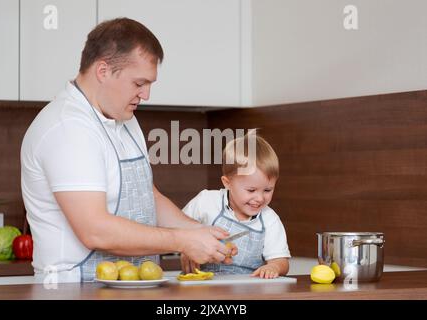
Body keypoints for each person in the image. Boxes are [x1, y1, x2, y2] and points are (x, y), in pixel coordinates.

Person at [20, 18, 234, 283]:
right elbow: (95, 230)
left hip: (131, 287)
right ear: (103, 71)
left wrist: (201, 233)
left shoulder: (125, 119)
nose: (146, 95)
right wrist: (183, 241)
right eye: (138, 83)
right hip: (75, 289)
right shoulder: (68, 127)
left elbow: (149, 198)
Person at [181, 132, 291, 278]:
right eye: (251, 190)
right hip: (202, 285)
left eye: (267, 190)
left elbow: (281, 261)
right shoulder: (206, 202)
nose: (259, 198)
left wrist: (273, 267)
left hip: (249, 290)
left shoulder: (270, 220)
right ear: (227, 183)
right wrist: (186, 247)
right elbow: (177, 230)